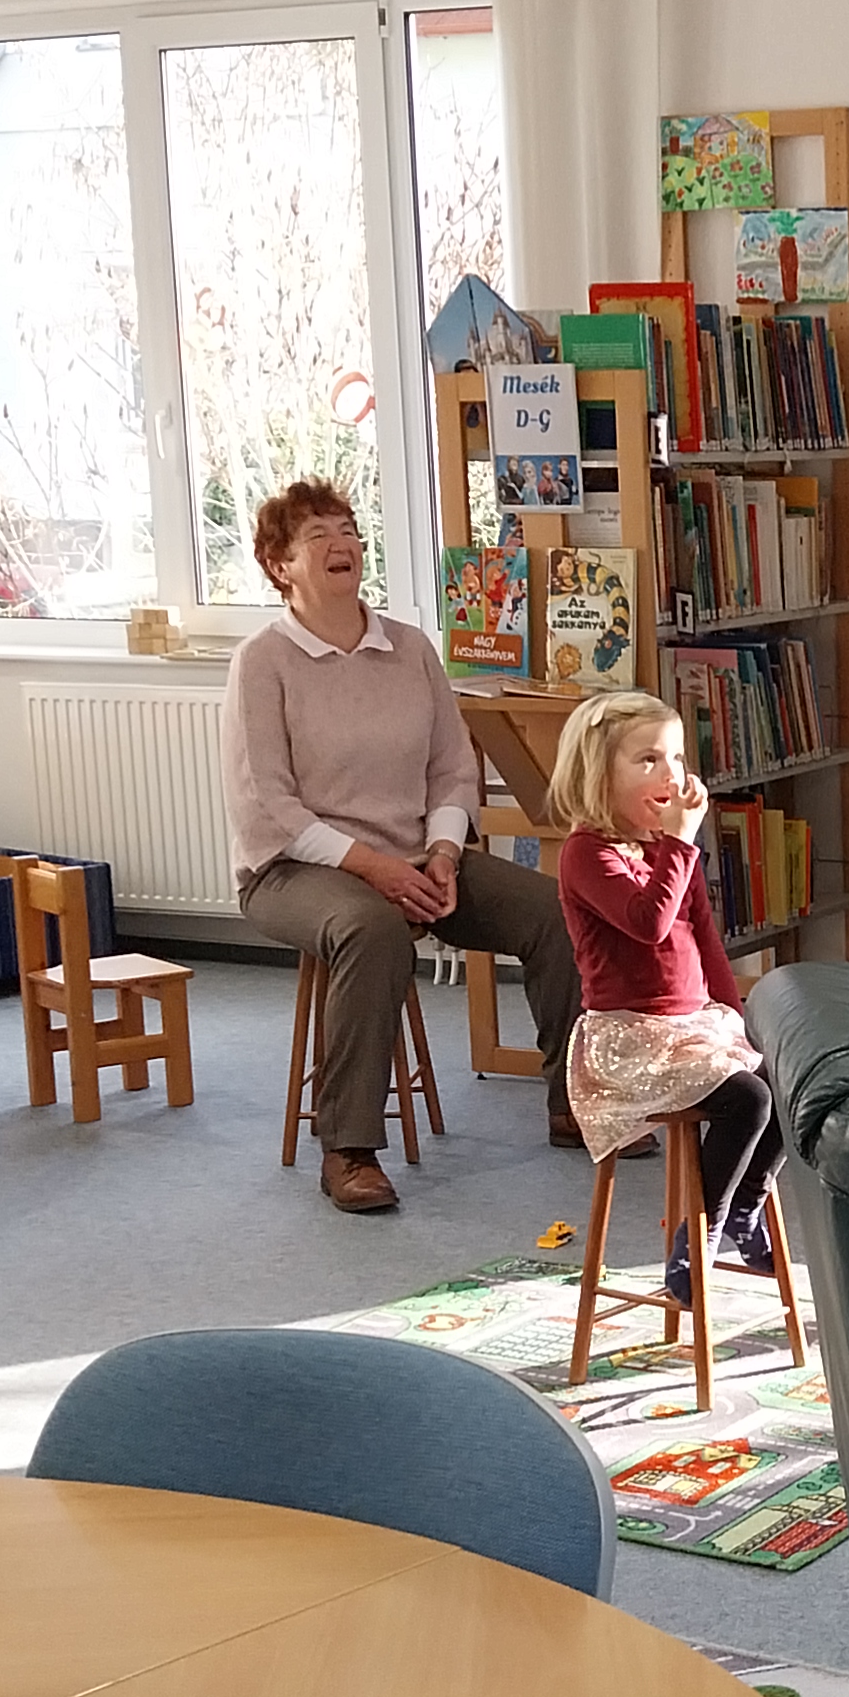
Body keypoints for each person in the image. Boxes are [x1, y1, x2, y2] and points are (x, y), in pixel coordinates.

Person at [223, 478, 582, 1215]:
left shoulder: (411, 648)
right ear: (280, 566)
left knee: (557, 910)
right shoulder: (263, 661)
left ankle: (576, 1102)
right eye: (318, 535)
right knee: (372, 929)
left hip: (419, 859)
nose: (342, 544)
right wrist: (376, 868)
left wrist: (443, 855)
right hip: (293, 870)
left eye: (348, 531)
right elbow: (269, 805)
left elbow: (453, 771)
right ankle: (348, 1149)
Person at [551, 691, 779, 1302]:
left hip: (692, 1029)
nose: (670, 774)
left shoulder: (668, 849)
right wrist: (680, 844)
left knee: (785, 1078)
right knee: (747, 1101)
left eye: (676, 758)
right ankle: (699, 1234)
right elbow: (648, 923)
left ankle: (744, 1208)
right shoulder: (586, 853)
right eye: (648, 760)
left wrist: (737, 1017)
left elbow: (703, 934)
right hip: (629, 1041)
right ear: (599, 775)